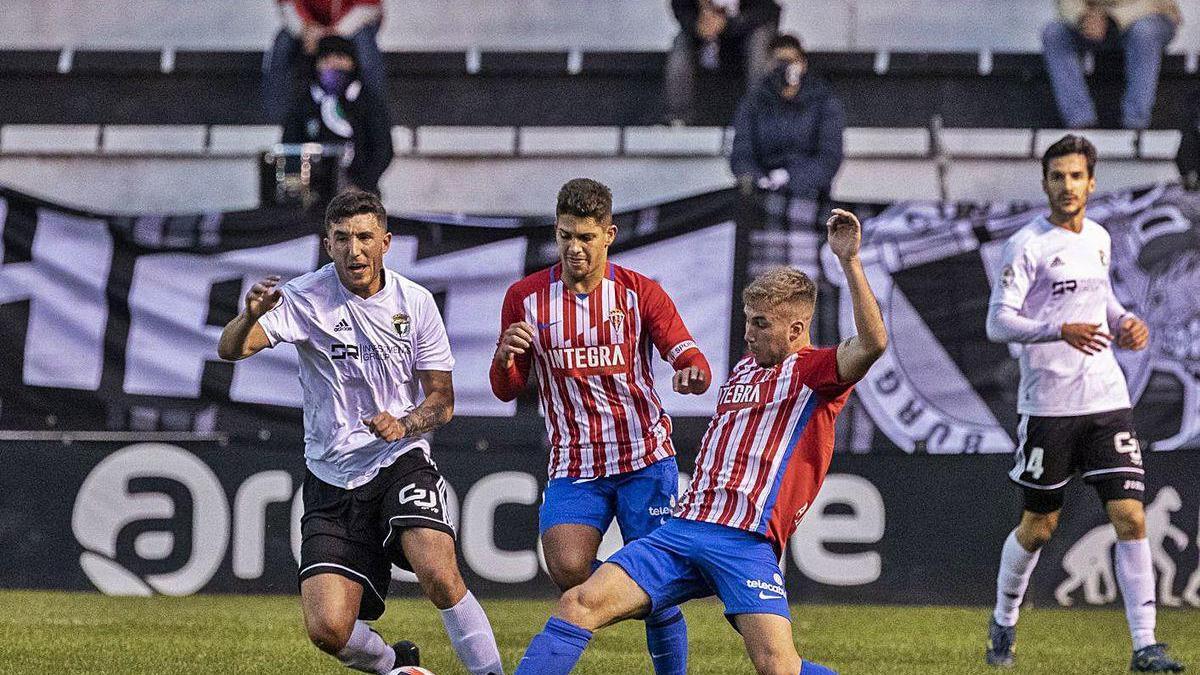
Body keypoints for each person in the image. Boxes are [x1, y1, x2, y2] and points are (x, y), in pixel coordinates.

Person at [511, 209, 888, 675]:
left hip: (744, 543)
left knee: (779, 668)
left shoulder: (815, 373)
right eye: (748, 321)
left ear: (795, 330)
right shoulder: (746, 369)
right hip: (683, 531)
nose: (748, 334)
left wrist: (850, 262)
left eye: (761, 324)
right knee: (578, 603)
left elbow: (872, 344)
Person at [217, 189, 504, 675]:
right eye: (343, 238)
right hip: (331, 477)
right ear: (327, 244)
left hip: (399, 460)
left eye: (366, 237)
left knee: (437, 572)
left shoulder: (415, 303)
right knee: (327, 629)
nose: (355, 250)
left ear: (386, 242)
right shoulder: (304, 298)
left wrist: (404, 424)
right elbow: (231, 350)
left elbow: (443, 401)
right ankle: (397, 664)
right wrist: (250, 316)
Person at [489, 178, 713, 675]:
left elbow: (689, 354)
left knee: (654, 575)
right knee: (568, 571)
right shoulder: (525, 298)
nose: (574, 248)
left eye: (586, 237)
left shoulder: (639, 293)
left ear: (608, 234)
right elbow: (507, 388)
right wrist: (505, 356)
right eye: (566, 236)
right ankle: (638, 596)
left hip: (643, 457)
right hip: (576, 461)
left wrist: (692, 373)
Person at [984, 135, 1184, 672]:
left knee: (1130, 516)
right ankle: (1004, 620)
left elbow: (1104, 300)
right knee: (1039, 526)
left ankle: (1145, 644)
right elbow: (997, 320)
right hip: (1049, 405)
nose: (1067, 186)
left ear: (1091, 182)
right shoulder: (1027, 244)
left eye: (1076, 176)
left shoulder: (1098, 236)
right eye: (1057, 176)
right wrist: (1057, 330)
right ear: (1045, 182)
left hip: (1106, 400)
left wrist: (1124, 323)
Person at [730, 33, 845, 200]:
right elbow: (741, 153)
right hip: (762, 196)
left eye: (792, 61)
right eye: (780, 62)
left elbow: (829, 158)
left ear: (803, 64)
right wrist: (758, 179)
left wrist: (790, 178)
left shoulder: (824, 101)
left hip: (810, 195)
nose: (786, 68)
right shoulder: (753, 102)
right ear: (769, 65)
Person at [1042, 0, 1181, 129]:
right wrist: (1083, 17)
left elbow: (1153, 3)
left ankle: (1136, 123)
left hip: (1149, 14)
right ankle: (1081, 121)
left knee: (1143, 32)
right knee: (1055, 33)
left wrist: (1112, 19)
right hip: (1097, 21)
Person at [282, 36, 394, 196]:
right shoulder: (304, 102)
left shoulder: (367, 101)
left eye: (340, 58)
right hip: (312, 197)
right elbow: (290, 146)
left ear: (352, 62)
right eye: (326, 59)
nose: (333, 64)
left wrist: (360, 185)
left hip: (359, 193)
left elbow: (383, 150)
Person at [263, 0, 388, 123]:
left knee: (366, 51)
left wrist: (333, 33)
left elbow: (368, 8)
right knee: (282, 45)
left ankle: (376, 117)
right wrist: (305, 29)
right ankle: (277, 120)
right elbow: (287, 5)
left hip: (353, 23)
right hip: (309, 27)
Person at [664, 0, 781, 125]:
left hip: (745, 36)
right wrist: (697, 25)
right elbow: (681, 7)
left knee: (760, 44)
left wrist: (727, 25)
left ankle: (762, 114)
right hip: (704, 37)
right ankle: (678, 118)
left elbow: (768, 10)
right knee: (680, 44)